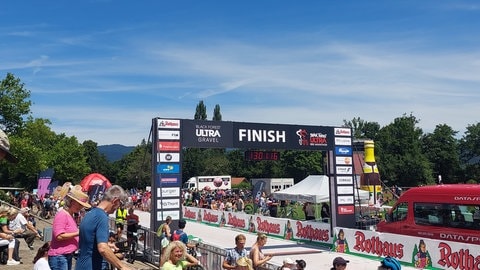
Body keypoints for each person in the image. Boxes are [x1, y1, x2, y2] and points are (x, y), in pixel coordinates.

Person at [75, 185, 134, 270]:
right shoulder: (102, 217)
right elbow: (102, 248)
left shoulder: (90, 213)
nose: (118, 208)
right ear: (115, 200)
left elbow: (89, 240)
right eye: (120, 204)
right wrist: (122, 266)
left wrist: (108, 245)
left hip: (81, 264)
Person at [49, 185, 91, 270]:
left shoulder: (69, 215)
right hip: (60, 256)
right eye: (79, 204)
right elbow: (59, 236)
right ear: (71, 202)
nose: (81, 207)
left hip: (65, 255)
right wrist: (78, 232)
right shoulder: (62, 214)